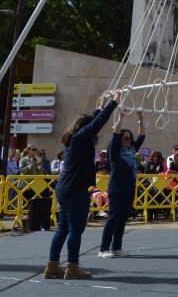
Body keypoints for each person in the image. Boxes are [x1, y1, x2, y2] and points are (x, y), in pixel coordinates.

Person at [45, 90, 120, 280]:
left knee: (63, 229)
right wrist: (114, 102)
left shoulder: (73, 139)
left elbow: (93, 121)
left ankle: (52, 266)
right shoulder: (81, 138)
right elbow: (97, 123)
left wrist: (100, 107)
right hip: (75, 190)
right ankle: (72, 267)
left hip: (64, 188)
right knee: (75, 230)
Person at [99, 109, 145, 258]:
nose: (129, 140)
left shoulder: (132, 150)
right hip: (117, 187)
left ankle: (116, 247)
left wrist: (140, 118)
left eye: (130, 138)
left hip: (129, 188)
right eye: (125, 138)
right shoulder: (115, 151)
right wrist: (121, 117)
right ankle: (103, 249)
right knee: (113, 217)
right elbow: (115, 134)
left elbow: (141, 136)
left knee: (123, 217)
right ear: (120, 140)